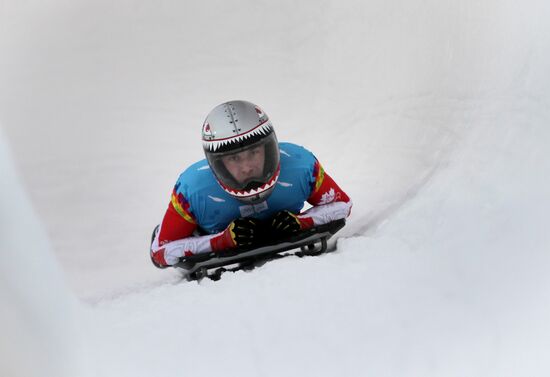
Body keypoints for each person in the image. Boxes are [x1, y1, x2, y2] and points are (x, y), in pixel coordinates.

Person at [150, 100, 352, 268]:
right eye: (234, 159)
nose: (246, 167)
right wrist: (222, 240)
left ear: (270, 148)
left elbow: (344, 205)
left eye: (254, 152)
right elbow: (160, 251)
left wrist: (301, 223)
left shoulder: (301, 164)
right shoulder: (192, 189)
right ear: (217, 162)